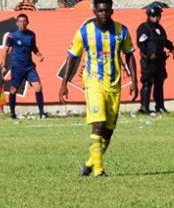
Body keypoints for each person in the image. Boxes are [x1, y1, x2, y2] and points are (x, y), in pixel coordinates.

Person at [59, 0, 137, 177]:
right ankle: (99, 170)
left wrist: (134, 80)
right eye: (100, 11)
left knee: (108, 132)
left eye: (107, 10)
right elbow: (72, 57)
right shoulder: (84, 31)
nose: (104, 14)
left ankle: (89, 163)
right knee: (98, 124)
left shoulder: (121, 31)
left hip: (114, 84)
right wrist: (64, 84)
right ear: (94, 11)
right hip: (93, 82)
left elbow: (129, 55)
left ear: (112, 11)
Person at [3, 13, 46, 119]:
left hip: (29, 67)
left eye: (24, 21)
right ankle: (12, 113)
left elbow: (33, 47)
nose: (22, 23)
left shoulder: (31, 35)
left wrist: (38, 54)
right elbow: (6, 50)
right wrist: (4, 65)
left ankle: (42, 113)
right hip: (17, 67)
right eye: (20, 21)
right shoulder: (12, 35)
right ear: (17, 23)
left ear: (27, 23)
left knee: (38, 87)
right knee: (13, 90)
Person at [136, 4, 174, 114]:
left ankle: (160, 106)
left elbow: (164, 40)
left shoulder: (159, 28)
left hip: (160, 60)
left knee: (159, 82)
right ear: (149, 16)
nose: (156, 18)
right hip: (149, 61)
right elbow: (141, 43)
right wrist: (149, 54)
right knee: (147, 82)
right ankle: (144, 107)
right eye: (153, 16)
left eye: (158, 16)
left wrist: (171, 47)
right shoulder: (144, 28)